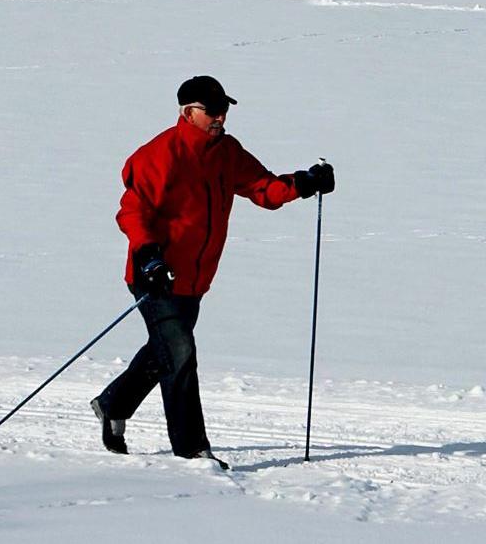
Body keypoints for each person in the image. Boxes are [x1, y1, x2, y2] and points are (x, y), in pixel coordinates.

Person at [90, 75, 334, 470]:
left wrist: (304, 183)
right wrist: (150, 255)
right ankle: (191, 451)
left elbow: (264, 189)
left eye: (225, 110)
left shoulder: (227, 152)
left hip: (196, 277)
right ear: (187, 112)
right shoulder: (159, 155)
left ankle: (112, 404)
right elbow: (132, 211)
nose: (221, 118)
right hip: (155, 273)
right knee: (180, 352)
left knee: (165, 351)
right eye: (212, 111)